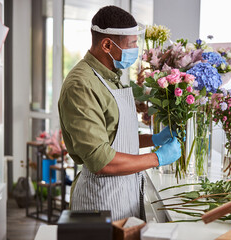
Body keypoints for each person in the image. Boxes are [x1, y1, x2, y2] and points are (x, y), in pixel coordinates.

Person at [58, 6, 181, 221]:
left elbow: (114, 137)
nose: (136, 50)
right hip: (100, 200)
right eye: (132, 44)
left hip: (124, 192)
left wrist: (152, 139)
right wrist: (158, 158)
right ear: (107, 44)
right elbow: (101, 160)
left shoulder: (111, 76)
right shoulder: (81, 85)